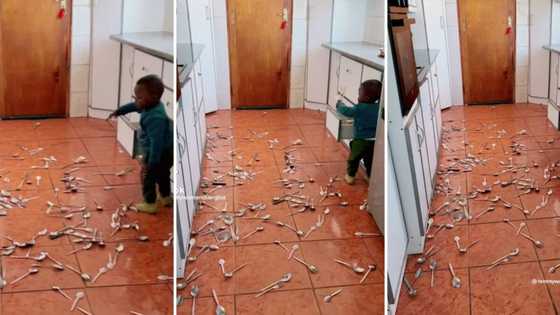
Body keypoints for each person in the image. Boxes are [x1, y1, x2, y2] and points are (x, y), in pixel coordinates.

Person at [109, 75, 173, 213]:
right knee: (163, 174)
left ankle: (150, 203)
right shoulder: (150, 105)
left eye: (139, 98)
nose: (136, 101)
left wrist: (152, 162)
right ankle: (166, 197)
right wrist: (119, 111)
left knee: (147, 177)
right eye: (136, 97)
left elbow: (157, 143)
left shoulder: (155, 117)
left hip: (158, 153)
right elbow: (134, 106)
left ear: (154, 97)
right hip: (166, 151)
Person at [336, 79, 381, 185]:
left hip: (360, 140)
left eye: (359, 93)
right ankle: (370, 177)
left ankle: (350, 176)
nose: (358, 96)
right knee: (370, 161)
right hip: (374, 141)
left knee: (354, 158)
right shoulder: (379, 107)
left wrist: (339, 103)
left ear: (366, 97)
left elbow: (346, 111)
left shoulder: (360, 108)